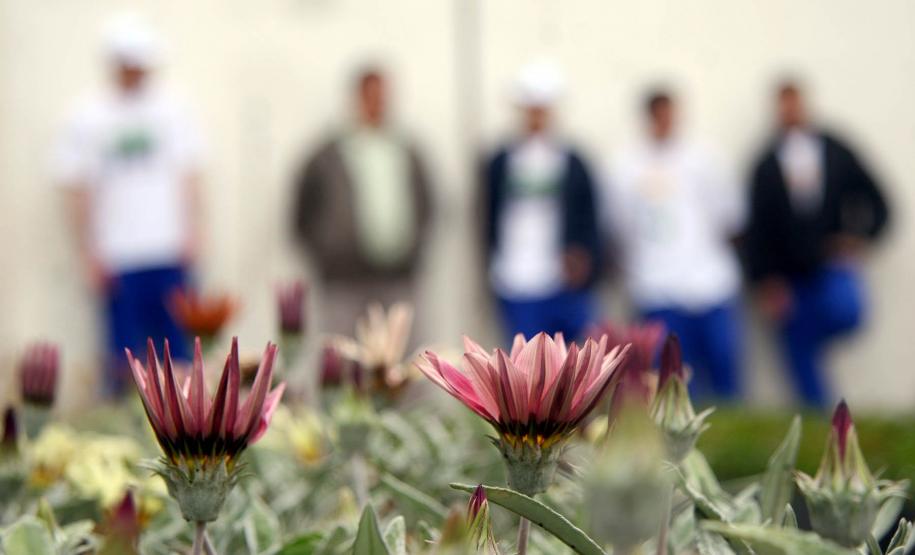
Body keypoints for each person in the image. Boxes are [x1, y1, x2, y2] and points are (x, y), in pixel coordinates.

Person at [55, 15, 203, 396]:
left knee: (180, 359)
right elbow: (77, 187)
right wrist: (89, 252)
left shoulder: (173, 108)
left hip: (168, 250)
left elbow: (189, 175)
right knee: (122, 363)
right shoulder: (89, 115)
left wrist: (193, 234)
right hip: (118, 256)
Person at [744, 80, 890, 408]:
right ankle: (823, 421)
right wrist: (765, 280)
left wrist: (861, 238)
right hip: (791, 276)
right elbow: (758, 228)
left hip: (830, 267)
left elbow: (877, 199)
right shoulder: (766, 163)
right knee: (800, 360)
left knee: (842, 312)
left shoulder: (835, 150)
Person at [606, 89, 745, 399]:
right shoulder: (625, 166)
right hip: (656, 287)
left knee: (725, 371)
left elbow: (730, 217)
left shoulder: (705, 159)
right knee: (672, 380)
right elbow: (619, 226)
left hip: (710, 283)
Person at [292, 67, 432, 335]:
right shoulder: (327, 154)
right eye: (371, 96)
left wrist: (414, 249)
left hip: (398, 276)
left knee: (398, 359)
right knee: (343, 359)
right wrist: (327, 254)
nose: (377, 103)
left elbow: (428, 204)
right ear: (356, 98)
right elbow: (302, 212)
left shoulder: (407, 150)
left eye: (382, 96)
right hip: (344, 279)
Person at [482, 63, 602, 341]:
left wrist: (584, 259)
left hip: (563, 282)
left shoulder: (573, 161)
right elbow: (488, 216)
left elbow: (589, 216)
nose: (536, 116)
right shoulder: (501, 161)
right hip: (517, 279)